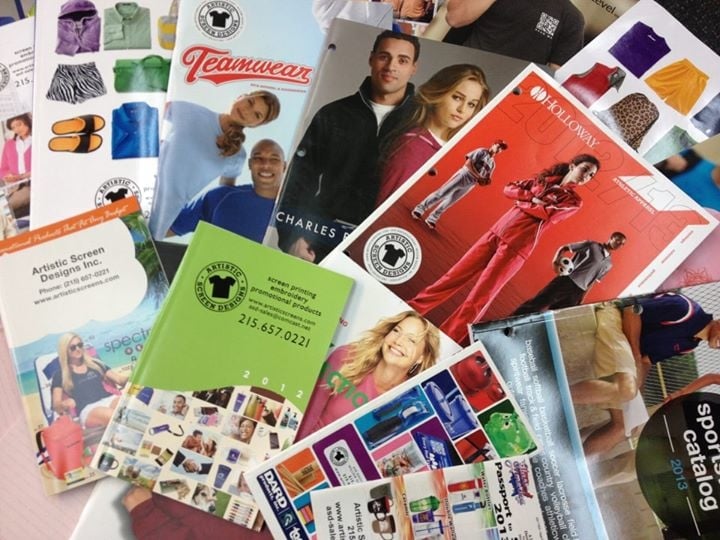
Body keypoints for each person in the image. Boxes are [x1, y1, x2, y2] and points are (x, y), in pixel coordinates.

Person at [409, 154, 600, 344]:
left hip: (516, 247)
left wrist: (522, 201)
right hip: (495, 233)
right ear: (572, 165)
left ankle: (445, 340)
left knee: (478, 299)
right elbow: (509, 188)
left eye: (591, 175)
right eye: (584, 170)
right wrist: (531, 198)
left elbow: (547, 214)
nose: (586, 176)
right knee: (451, 277)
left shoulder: (573, 201)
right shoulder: (543, 180)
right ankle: (412, 308)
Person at [276, 30, 420, 263]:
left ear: (413, 68)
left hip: (386, 247)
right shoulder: (333, 114)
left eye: (402, 60)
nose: (391, 66)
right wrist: (292, 236)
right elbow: (299, 178)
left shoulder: (421, 123)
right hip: (320, 238)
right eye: (384, 56)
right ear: (371, 58)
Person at [149, 91, 281, 239]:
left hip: (159, 221)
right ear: (241, 96)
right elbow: (144, 114)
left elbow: (225, 194)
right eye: (250, 102)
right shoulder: (191, 112)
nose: (247, 111)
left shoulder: (237, 156)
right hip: (138, 192)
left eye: (256, 115)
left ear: (256, 125)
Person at [297, 310, 441, 440]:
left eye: (411, 340)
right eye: (396, 331)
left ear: (421, 357)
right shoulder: (347, 357)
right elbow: (306, 416)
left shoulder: (411, 400)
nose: (398, 341)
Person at [570, 292, 720, 414]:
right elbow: (631, 309)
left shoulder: (689, 346)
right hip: (614, 318)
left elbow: (646, 361)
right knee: (626, 390)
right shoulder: (685, 309)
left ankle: (574, 442)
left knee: (629, 425)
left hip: (627, 347)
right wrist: (635, 356)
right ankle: (558, 398)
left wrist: (638, 390)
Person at [376, 64, 489, 206]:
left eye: (471, 104)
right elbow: (384, 207)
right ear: (438, 93)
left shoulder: (460, 150)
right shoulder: (412, 148)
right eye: (457, 98)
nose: (462, 109)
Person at [167, 139, 286, 241]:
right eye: (258, 158)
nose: (265, 165)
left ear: (284, 166)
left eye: (274, 159)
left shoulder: (293, 212)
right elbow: (167, 228)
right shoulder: (219, 197)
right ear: (250, 164)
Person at [444, 0, 585, 70]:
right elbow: (454, 18)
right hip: (462, 74)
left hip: (510, 96)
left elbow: (557, 79)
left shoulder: (571, 18)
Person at [512, 231, 627, 315]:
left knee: (554, 316)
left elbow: (592, 282)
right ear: (611, 237)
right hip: (566, 281)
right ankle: (510, 321)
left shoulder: (609, 264)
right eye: (617, 240)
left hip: (577, 292)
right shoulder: (592, 245)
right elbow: (564, 248)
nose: (619, 244)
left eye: (622, 244)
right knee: (537, 303)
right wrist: (556, 261)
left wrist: (581, 298)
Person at [410, 139, 507, 227]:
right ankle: (420, 209)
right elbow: (468, 164)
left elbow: (486, 179)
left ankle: (432, 218)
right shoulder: (481, 151)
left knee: (451, 200)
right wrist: (479, 177)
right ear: (493, 144)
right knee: (442, 193)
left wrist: (486, 181)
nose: (499, 149)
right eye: (498, 146)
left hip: (471, 183)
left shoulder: (492, 164)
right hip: (464, 175)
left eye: (501, 149)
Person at [51, 333, 128, 428]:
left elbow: (119, 380)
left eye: (80, 345)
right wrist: (64, 404)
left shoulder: (95, 364)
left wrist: (133, 377)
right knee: (115, 416)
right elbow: (56, 405)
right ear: (65, 351)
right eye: (73, 347)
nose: (78, 349)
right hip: (89, 408)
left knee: (130, 407)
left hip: (109, 399)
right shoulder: (60, 375)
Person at [0, 113, 32, 219]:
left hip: (32, 185)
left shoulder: (38, 139)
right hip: (15, 187)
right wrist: (7, 176)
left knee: (4, 209)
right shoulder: (9, 144)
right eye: (13, 127)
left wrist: (26, 175)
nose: (17, 129)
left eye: (19, 124)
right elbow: (3, 169)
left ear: (27, 121)